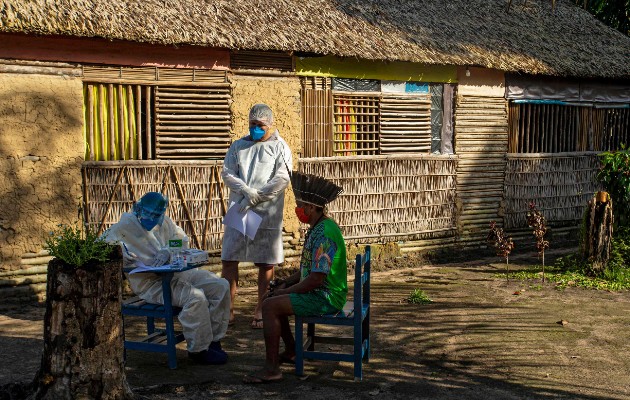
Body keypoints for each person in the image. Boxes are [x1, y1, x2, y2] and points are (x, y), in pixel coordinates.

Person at [101, 192, 231, 365]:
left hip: (178, 273)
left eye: (157, 215)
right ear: (139, 209)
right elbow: (101, 245)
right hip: (151, 283)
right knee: (195, 298)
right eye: (150, 214)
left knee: (220, 286)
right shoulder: (123, 227)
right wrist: (122, 254)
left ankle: (212, 340)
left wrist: (168, 250)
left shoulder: (165, 222)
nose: (153, 219)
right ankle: (199, 349)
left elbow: (180, 238)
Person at [243, 171, 346, 384]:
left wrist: (286, 291)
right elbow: (308, 269)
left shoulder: (325, 233)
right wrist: (286, 282)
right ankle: (291, 351)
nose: (297, 210)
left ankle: (272, 369)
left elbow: (316, 279)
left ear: (310, 207)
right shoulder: (317, 227)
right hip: (319, 291)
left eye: (300, 205)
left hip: (325, 297)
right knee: (272, 299)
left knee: (270, 306)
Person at [221, 103, 293, 329]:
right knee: (229, 258)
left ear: (270, 125)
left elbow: (281, 178)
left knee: (265, 263)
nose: (255, 128)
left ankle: (261, 310)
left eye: (260, 125)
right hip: (241, 208)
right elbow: (228, 173)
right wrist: (245, 191)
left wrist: (258, 196)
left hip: (266, 212)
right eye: (252, 124)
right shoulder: (238, 146)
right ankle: (227, 309)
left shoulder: (280, 147)